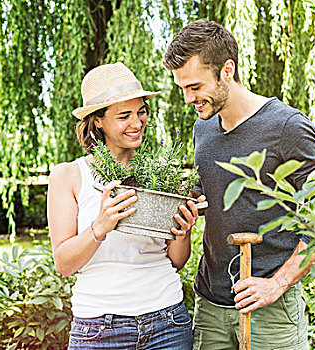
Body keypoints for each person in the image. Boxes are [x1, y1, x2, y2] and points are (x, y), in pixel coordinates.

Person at [163, 19, 315, 349]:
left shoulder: (286, 126)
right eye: (183, 88)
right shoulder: (202, 129)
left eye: (195, 87)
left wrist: (277, 284)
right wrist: (190, 204)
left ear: (227, 70)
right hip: (210, 305)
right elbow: (212, 192)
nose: (188, 99)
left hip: (270, 311)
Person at [47, 62, 202, 350]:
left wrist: (183, 231)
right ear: (98, 121)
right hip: (98, 328)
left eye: (141, 111)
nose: (137, 122)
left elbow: (176, 261)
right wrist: (100, 226)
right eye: (124, 116)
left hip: (167, 321)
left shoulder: (160, 175)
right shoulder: (68, 175)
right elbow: (64, 263)